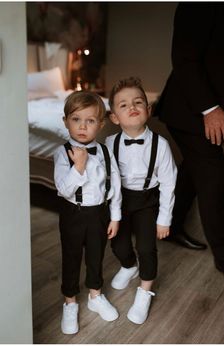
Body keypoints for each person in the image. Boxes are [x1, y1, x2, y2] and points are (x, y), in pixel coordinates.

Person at [153, 3, 224, 280]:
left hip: (217, 110)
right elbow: (185, 59)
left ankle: (172, 225)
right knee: (212, 172)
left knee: (194, 168)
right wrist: (210, 108)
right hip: (189, 109)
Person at [105, 77, 177, 324]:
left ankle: (145, 290)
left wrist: (164, 218)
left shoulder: (161, 145)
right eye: (123, 105)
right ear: (114, 117)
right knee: (118, 245)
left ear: (148, 109)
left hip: (147, 200)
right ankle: (128, 266)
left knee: (146, 248)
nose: (132, 106)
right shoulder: (109, 144)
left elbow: (169, 183)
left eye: (138, 102)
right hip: (120, 200)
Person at [54, 91, 122, 334]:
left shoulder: (105, 152)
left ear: (100, 124)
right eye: (76, 119)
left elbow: (114, 187)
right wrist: (79, 167)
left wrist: (115, 216)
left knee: (96, 255)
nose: (83, 126)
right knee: (71, 257)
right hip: (73, 213)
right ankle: (70, 301)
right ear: (66, 121)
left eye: (90, 120)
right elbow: (63, 189)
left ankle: (95, 295)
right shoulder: (62, 153)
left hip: (99, 214)